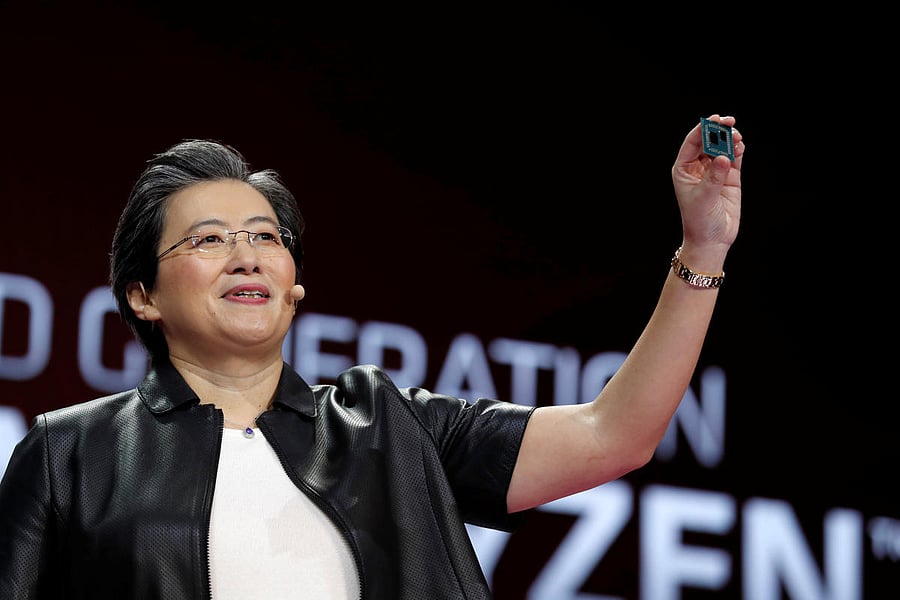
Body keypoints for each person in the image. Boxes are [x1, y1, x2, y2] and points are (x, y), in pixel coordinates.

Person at [0, 114, 744, 599]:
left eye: (265, 237)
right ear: (142, 295)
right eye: (209, 239)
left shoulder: (390, 426)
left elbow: (615, 435)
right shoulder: (70, 453)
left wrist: (703, 246)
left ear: (294, 286)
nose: (246, 255)